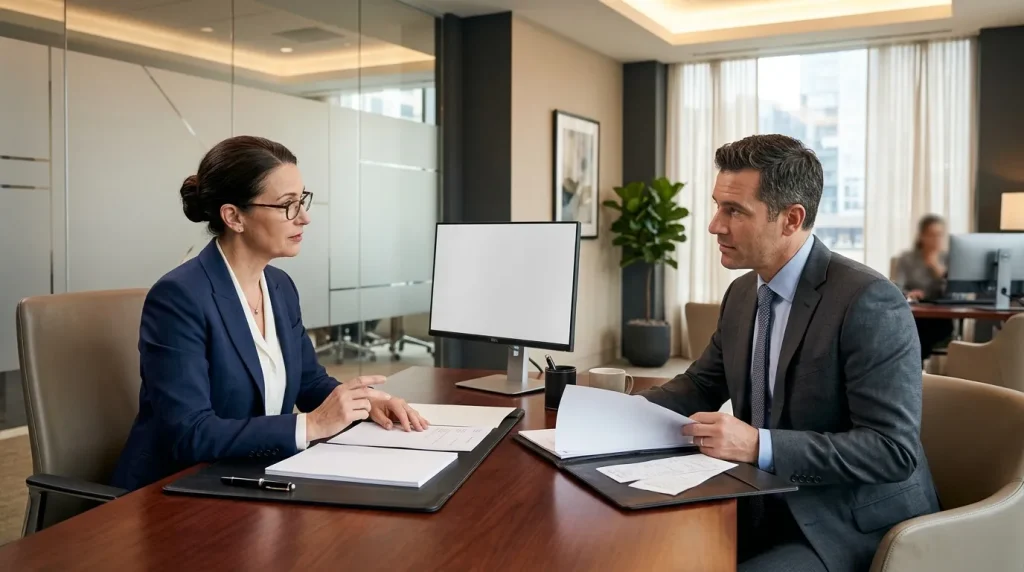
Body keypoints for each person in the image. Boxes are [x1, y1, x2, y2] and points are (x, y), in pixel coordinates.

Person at [639, 135, 939, 572]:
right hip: (760, 495)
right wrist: (615, 414)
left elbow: (890, 450)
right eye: (718, 205)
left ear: (790, 219)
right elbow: (701, 385)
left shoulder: (869, 301)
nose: (714, 225)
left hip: (846, 520)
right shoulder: (743, 293)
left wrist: (758, 444)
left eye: (734, 210)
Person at [111, 136, 428, 491]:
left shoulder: (279, 286)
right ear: (234, 217)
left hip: (251, 477)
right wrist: (308, 426)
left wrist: (361, 403)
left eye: (302, 200)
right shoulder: (179, 297)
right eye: (287, 205)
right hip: (175, 492)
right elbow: (189, 432)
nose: (304, 218)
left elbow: (308, 383)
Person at [893, 215, 955, 361]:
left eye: (939, 235)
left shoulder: (948, 259)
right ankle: (916, 372)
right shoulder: (906, 259)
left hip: (940, 319)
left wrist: (937, 268)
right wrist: (909, 294)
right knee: (912, 332)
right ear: (922, 236)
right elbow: (896, 287)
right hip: (913, 315)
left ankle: (916, 372)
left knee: (921, 336)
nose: (936, 239)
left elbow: (955, 293)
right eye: (931, 235)